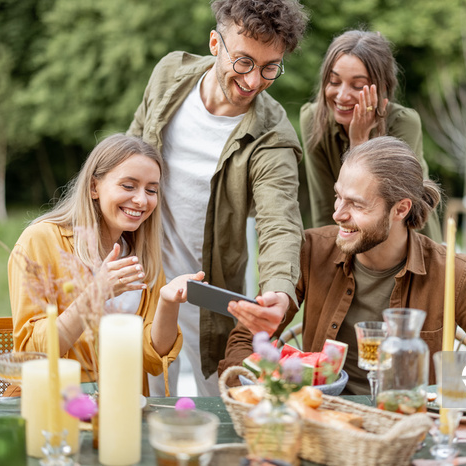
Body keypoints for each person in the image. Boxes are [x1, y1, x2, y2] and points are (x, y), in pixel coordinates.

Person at [220, 136, 466, 393]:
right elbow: (244, 339)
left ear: (400, 209)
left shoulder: (456, 275)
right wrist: (255, 390)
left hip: (407, 433)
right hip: (318, 423)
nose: (338, 213)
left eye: (356, 204)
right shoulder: (311, 250)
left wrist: (463, 406)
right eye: (338, 197)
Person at [127, 0, 309, 396]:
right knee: (143, 405)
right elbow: (129, 159)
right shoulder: (168, 75)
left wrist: (278, 290)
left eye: (270, 68)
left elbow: (280, 222)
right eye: (243, 62)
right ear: (215, 43)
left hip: (210, 298)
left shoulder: (272, 136)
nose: (254, 81)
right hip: (140, 277)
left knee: (223, 406)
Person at [9, 134, 203, 396]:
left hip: (125, 402)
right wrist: (96, 292)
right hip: (54, 401)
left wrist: (169, 303)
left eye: (151, 190)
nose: (141, 200)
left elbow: (152, 360)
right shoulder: (41, 241)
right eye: (128, 186)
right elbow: (32, 355)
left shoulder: (142, 255)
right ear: (94, 187)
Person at [300, 30, 442, 241]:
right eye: (334, 81)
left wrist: (359, 144)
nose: (342, 96)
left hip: (409, 240)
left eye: (357, 86)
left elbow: (392, 215)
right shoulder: (313, 119)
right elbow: (323, 209)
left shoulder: (403, 123)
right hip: (347, 240)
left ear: (382, 88)